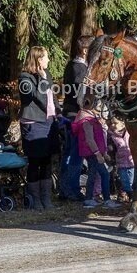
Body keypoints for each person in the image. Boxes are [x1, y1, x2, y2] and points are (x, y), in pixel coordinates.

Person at [18, 46, 59, 210]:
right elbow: (38, 98)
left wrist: (59, 112)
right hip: (34, 123)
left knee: (47, 162)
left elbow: (51, 96)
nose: (48, 60)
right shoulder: (24, 78)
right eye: (46, 57)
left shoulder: (47, 74)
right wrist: (42, 79)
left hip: (49, 122)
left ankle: (46, 199)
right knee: (35, 162)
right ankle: (35, 200)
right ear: (38, 59)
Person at [59, 35, 93, 201]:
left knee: (69, 153)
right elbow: (81, 95)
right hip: (75, 116)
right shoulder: (79, 68)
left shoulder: (72, 66)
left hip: (69, 113)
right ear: (85, 50)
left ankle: (64, 188)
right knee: (75, 154)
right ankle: (71, 189)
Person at [72, 103, 119, 208]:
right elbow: (90, 139)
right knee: (104, 174)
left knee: (92, 174)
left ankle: (89, 199)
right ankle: (106, 199)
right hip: (93, 153)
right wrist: (98, 154)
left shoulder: (92, 119)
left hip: (95, 152)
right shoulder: (86, 121)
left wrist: (104, 152)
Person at [107, 117, 135, 202]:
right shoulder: (112, 136)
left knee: (131, 181)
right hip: (121, 163)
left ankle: (125, 195)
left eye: (116, 123)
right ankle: (130, 194)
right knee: (124, 181)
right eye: (112, 123)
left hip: (132, 162)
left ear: (123, 124)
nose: (113, 125)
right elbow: (111, 149)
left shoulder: (129, 133)